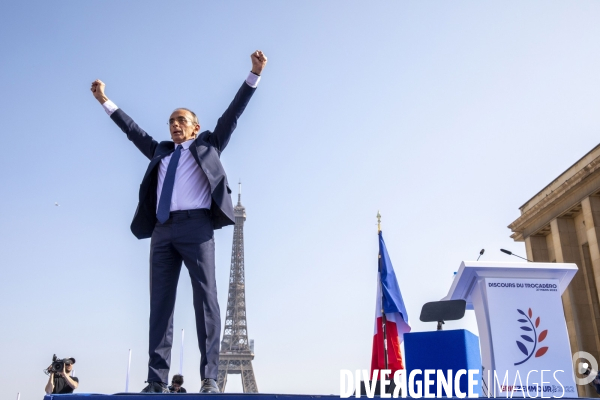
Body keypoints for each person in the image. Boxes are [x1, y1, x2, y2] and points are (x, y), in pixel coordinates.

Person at [90, 50, 267, 394]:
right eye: (171, 120)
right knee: (160, 306)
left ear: (195, 127)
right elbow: (131, 130)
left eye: (181, 120)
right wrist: (104, 100)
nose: (174, 125)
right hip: (162, 230)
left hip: (197, 228)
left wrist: (254, 74)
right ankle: (156, 379)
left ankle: (210, 377)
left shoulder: (209, 145)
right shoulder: (160, 151)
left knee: (206, 301)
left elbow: (233, 114)